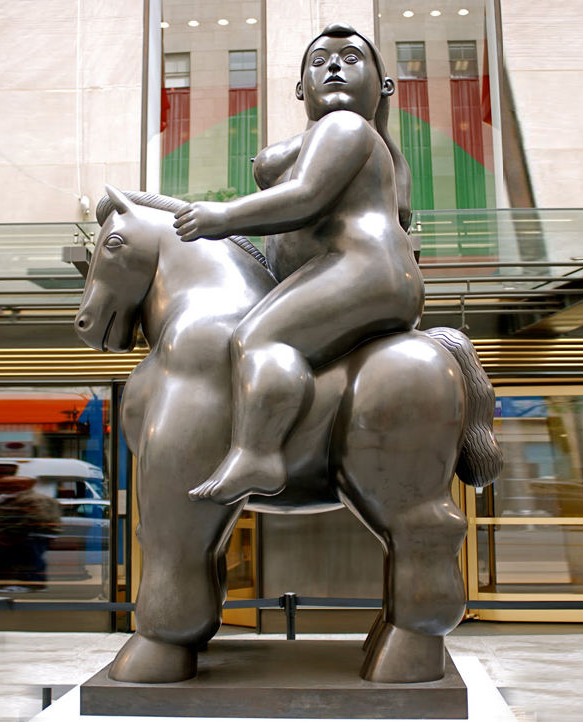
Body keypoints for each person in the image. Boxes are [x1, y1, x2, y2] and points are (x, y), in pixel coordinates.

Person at [174, 23, 424, 505]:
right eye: (319, 61)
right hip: (356, 269)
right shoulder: (328, 135)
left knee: (257, 337)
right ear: (299, 88)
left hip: (362, 268)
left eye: (351, 58)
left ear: (383, 85)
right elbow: (281, 172)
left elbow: (306, 196)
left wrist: (222, 216)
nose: (334, 67)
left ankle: (257, 454)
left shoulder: (346, 127)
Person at [0, 475, 61, 593]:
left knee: (27, 560)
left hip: (26, 536)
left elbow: (38, 519)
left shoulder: (35, 499)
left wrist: (12, 533)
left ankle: (32, 584)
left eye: (3, 484)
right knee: (0, 560)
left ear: (23, 485)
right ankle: (5, 584)